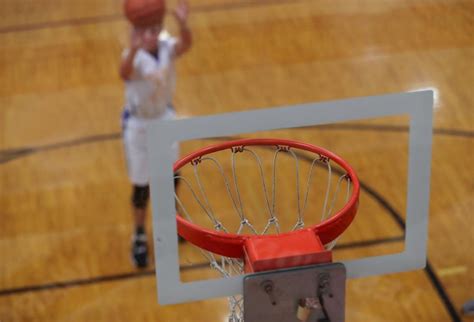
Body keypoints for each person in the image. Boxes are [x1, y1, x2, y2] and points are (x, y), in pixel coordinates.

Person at [119, 0, 192, 268]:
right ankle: (139, 235)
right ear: (136, 31)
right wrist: (132, 50)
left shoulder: (166, 46)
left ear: (160, 26)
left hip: (164, 119)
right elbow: (123, 73)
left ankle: (172, 220)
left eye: (155, 28)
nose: (151, 34)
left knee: (171, 175)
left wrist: (183, 24)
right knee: (141, 185)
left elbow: (186, 45)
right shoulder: (133, 55)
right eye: (145, 30)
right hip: (138, 125)